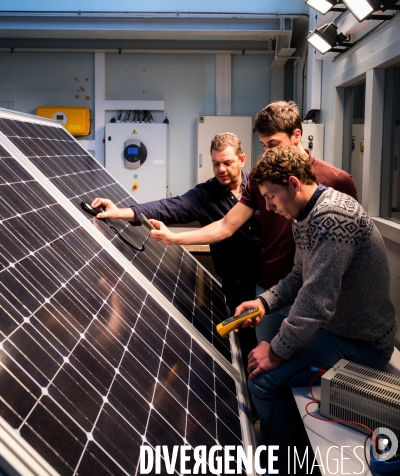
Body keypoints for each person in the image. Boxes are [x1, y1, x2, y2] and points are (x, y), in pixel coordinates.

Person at [234, 146, 396, 473]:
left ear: (294, 183)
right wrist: (264, 302)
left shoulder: (333, 217)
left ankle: (278, 467)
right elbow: (299, 277)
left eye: (270, 196)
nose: (266, 206)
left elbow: (316, 301)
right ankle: (290, 456)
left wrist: (276, 350)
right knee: (271, 379)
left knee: (262, 382)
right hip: (335, 331)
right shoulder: (304, 214)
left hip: (363, 343)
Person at [149, 101, 358, 341]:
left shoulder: (337, 181)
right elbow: (226, 225)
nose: (269, 152)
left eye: (274, 144)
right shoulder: (260, 180)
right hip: (270, 290)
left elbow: (344, 252)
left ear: (297, 135)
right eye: (264, 146)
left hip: (311, 295)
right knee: (262, 365)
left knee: (297, 369)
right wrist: (174, 237)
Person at [91, 132, 262, 362]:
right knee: (250, 353)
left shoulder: (260, 187)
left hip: (268, 282)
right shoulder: (205, 195)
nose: (221, 169)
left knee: (273, 347)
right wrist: (121, 211)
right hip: (237, 290)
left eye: (228, 163)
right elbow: (167, 208)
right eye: (216, 163)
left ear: (241, 160)